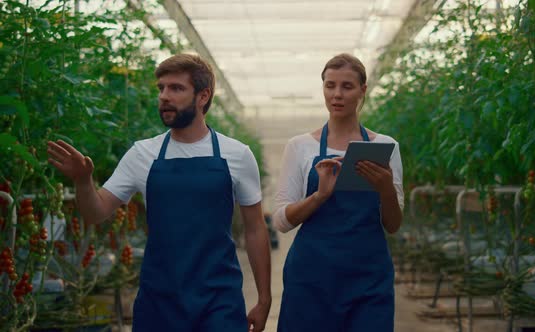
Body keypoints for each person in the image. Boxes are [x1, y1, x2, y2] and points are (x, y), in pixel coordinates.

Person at [47, 54, 271, 332]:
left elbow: (255, 229)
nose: (164, 96)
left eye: (176, 88)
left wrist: (264, 299)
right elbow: (96, 213)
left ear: (203, 97)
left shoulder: (236, 154)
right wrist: (83, 182)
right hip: (159, 301)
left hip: (219, 301)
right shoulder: (143, 153)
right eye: (161, 88)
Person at [272, 53, 404, 331]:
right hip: (311, 277)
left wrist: (385, 189)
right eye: (330, 85)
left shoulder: (384, 147)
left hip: (369, 278)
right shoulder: (300, 147)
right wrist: (319, 195)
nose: (337, 94)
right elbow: (281, 221)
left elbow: (393, 225)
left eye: (347, 86)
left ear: (362, 90)